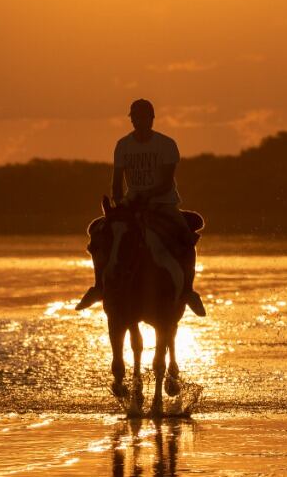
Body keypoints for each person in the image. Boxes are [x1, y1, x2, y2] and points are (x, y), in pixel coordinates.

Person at [76, 99, 205, 316]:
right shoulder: (123, 145)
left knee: (185, 236)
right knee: (99, 234)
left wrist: (147, 195)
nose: (138, 121)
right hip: (132, 203)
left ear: (151, 119)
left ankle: (188, 290)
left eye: (142, 117)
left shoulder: (166, 144)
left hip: (163, 203)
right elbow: (117, 181)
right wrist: (118, 204)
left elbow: (165, 182)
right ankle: (99, 286)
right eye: (134, 117)